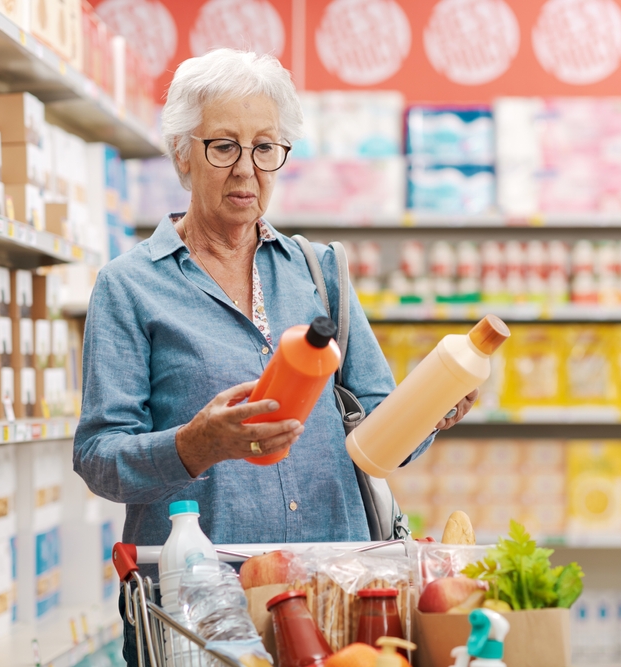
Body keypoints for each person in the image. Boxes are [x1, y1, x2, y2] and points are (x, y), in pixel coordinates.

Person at [72, 49, 476, 663]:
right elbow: (99, 457)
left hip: (332, 595)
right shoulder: (130, 286)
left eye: (265, 147)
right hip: (201, 611)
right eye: (224, 146)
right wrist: (197, 443)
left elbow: (376, 431)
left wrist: (426, 413)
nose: (247, 169)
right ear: (183, 153)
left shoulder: (323, 273)